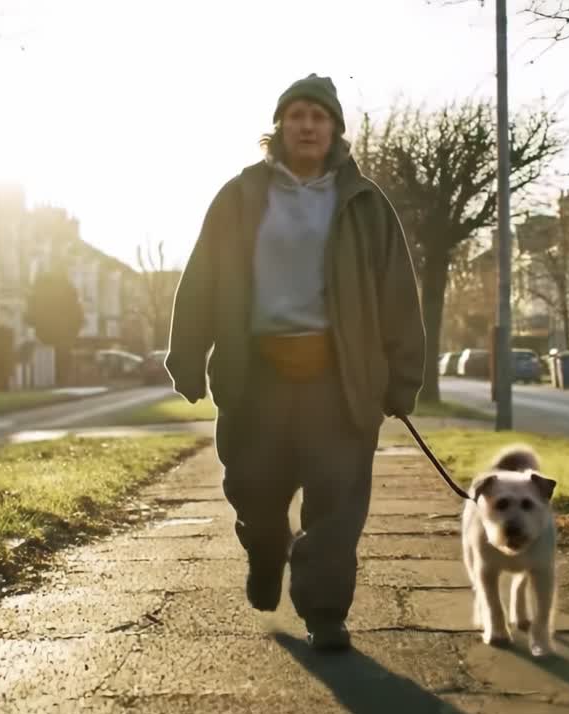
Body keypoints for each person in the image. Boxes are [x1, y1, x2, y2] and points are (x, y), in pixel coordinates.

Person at [166, 73, 425, 652]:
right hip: (257, 376)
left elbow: (397, 294)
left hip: (339, 380)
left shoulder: (365, 202)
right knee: (254, 490)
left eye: (319, 116)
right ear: (279, 127)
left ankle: (326, 614)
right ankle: (264, 550)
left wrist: (403, 377)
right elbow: (203, 276)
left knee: (336, 505)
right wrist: (186, 354)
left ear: (334, 129)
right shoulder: (240, 196)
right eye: (296, 115)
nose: (307, 126)